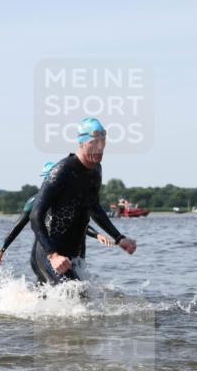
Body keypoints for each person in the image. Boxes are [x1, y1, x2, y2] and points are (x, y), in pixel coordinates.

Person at [29, 117, 136, 284]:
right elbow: (35, 215)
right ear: (81, 143)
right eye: (94, 143)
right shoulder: (62, 171)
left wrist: (118, 238)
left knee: (80, 295)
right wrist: (53, 255)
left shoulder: (96, 170)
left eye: (103, 142)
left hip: (75, 253)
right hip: (51, 252)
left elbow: (94, 207)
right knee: (74, 293)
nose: (99, 147)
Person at [0, 162, 114, 267]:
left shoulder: (68, 201)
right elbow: (18, 226)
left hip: (66, 251)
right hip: (45, 252)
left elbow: (76, 224)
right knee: (63, 284)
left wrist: (97, 234)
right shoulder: (35, 201)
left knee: (74, 283)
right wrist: (0, 251)